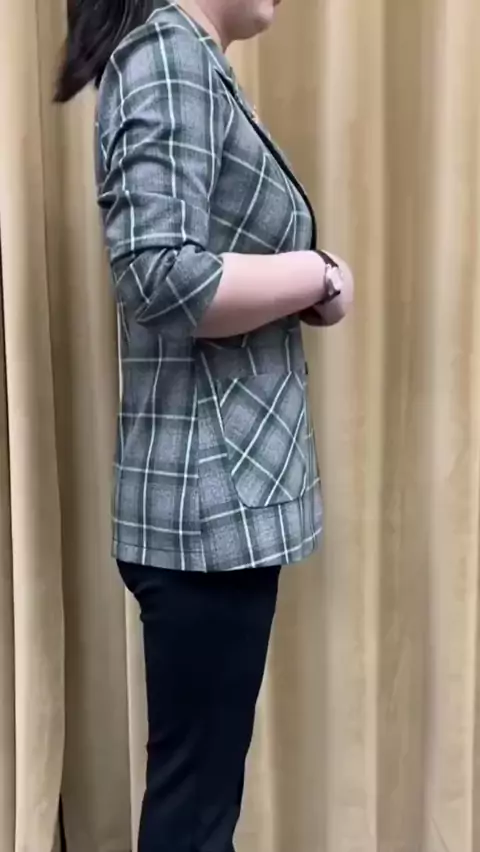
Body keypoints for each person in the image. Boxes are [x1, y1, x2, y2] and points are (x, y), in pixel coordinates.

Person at [56, 1, 353, 849]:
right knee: (195, 814)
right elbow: (158, 274)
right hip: (206, 512)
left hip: (213, 506)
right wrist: (316, 272)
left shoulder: (187, 58)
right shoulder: (166, 54)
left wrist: (307, 286)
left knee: (200, 800)